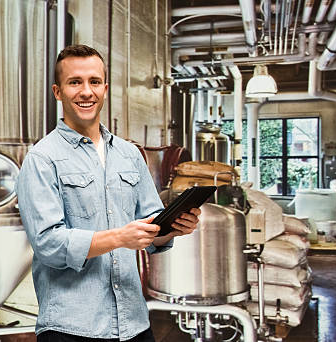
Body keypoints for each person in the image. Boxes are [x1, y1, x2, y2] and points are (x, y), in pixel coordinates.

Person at [15, 44, 201, 342]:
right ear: (57, 92)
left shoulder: (129, 154)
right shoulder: (42, 158)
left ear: (105, 89)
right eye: (75, 82)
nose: (86, 91)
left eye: (94, 82)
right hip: (71, 328)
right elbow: (47, 243)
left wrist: (172, 229)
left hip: (134, 323)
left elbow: (150, 228)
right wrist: (118, 237)